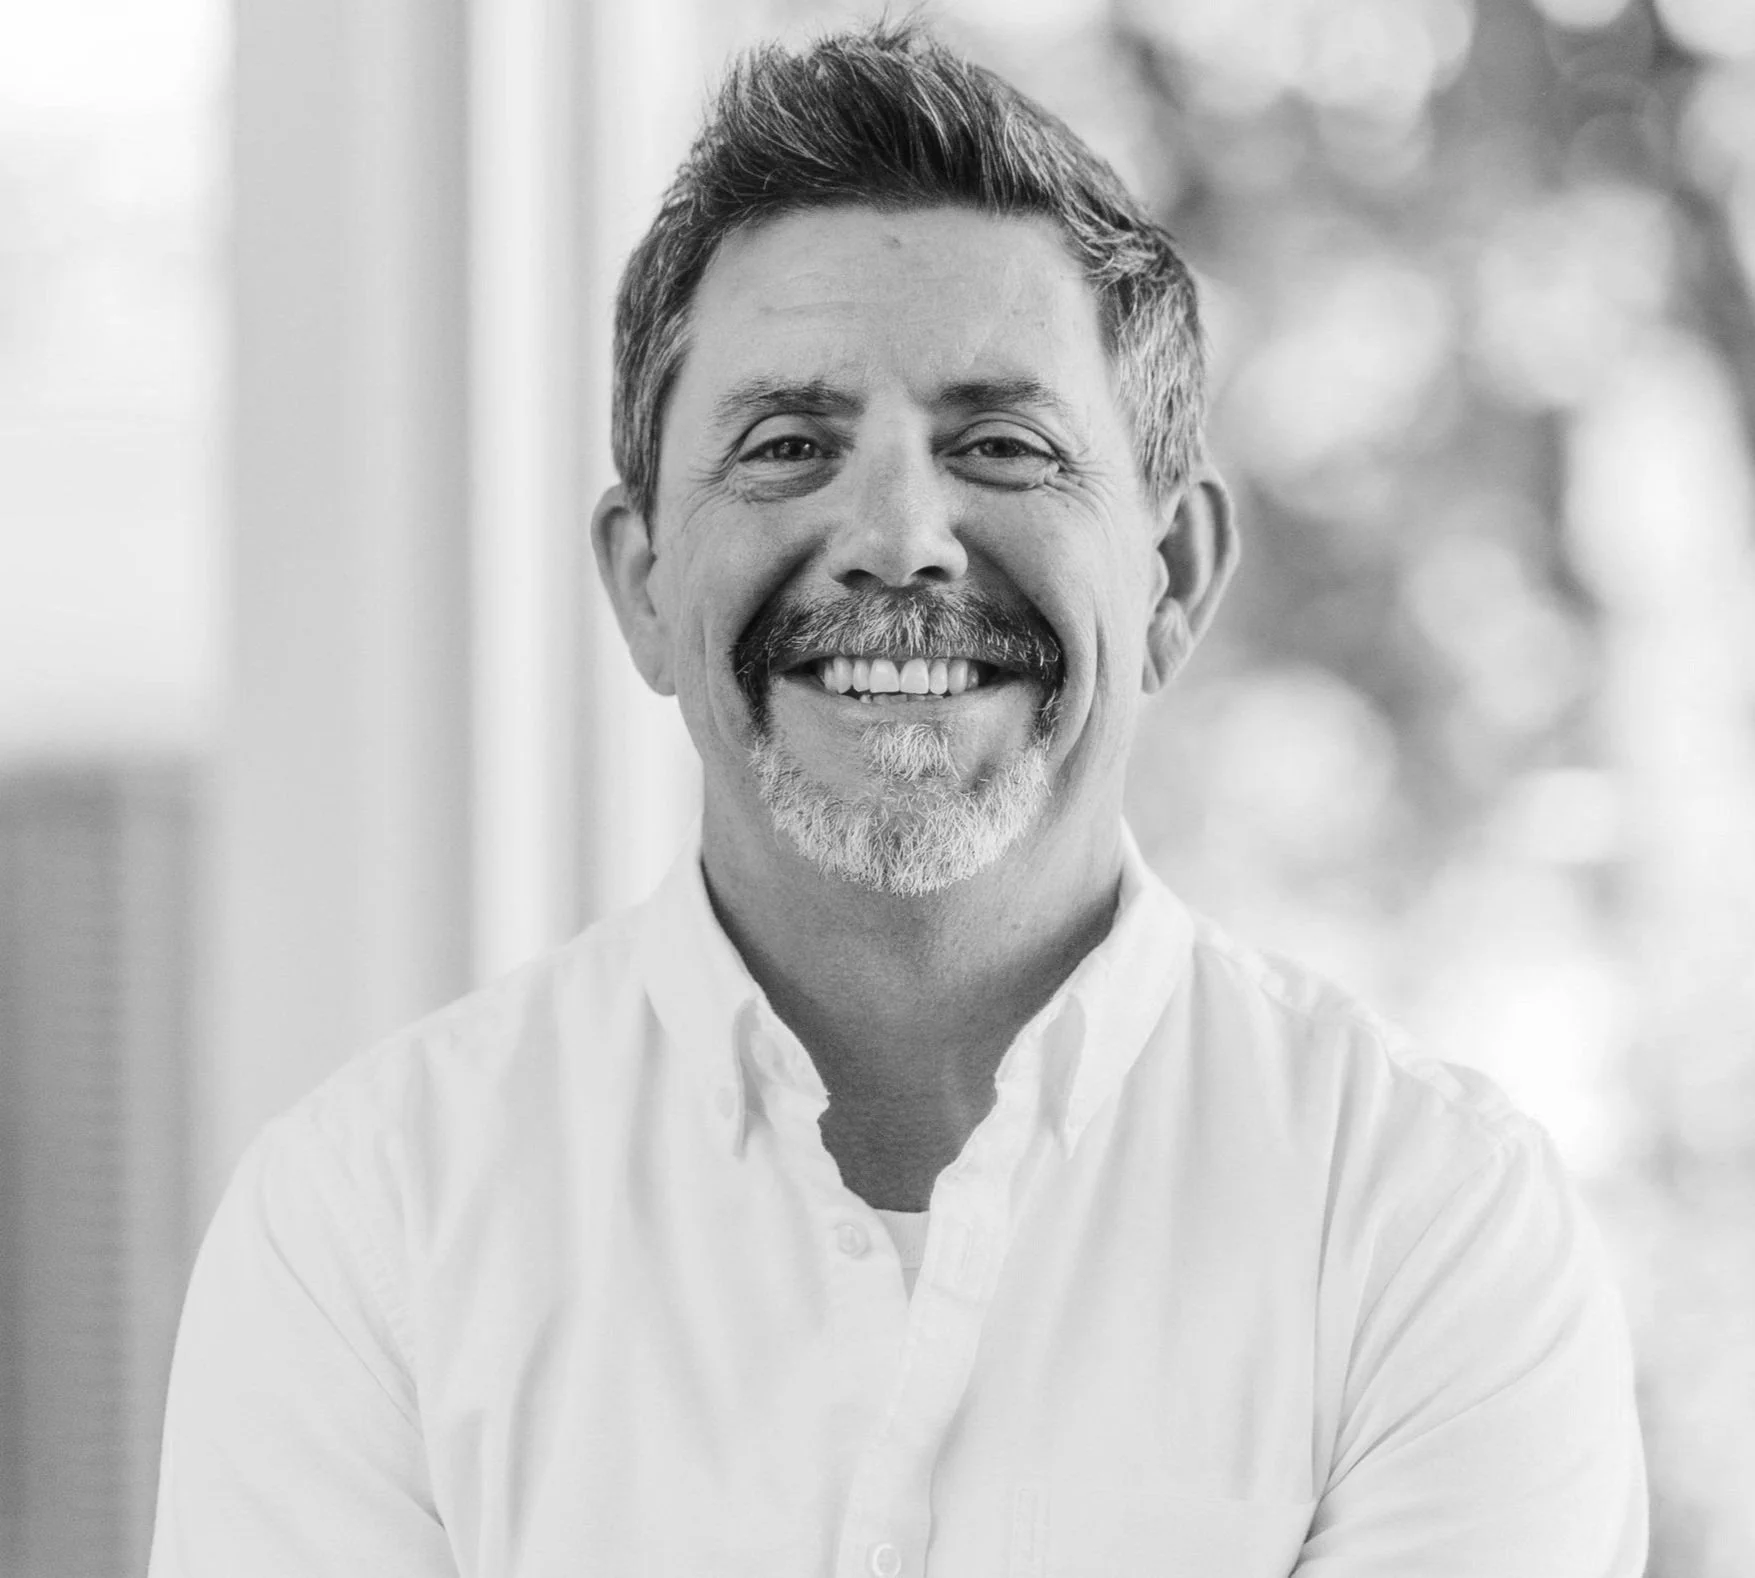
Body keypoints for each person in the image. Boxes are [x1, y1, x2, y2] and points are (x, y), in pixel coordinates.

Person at [148, 23, 1647, 1577]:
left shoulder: (1423, 1223)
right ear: (645, 583)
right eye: (787, 445)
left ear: (1173, 577)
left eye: (1000, 444)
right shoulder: (366, 1229)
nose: (897, 538)